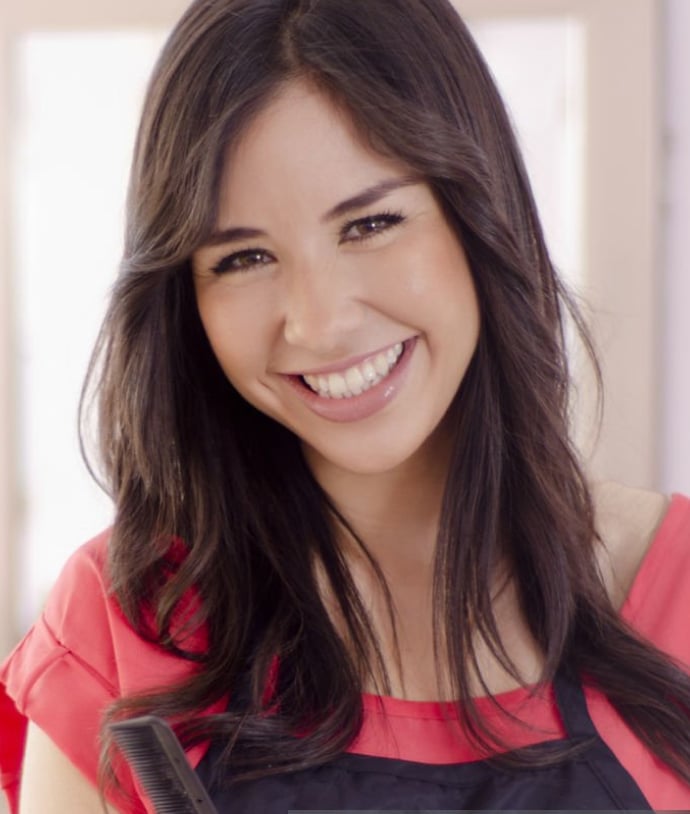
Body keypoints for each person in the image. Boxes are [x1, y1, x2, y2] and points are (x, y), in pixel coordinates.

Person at [2, 0, 690, 810]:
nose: (320, 323)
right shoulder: (121, 627)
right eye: (245, 256)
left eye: (369, 223)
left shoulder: (674, 588)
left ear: (478, 216)